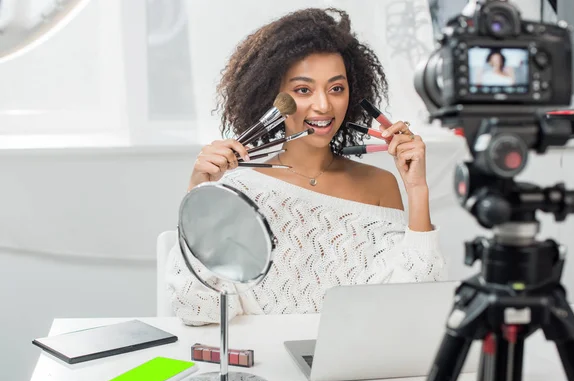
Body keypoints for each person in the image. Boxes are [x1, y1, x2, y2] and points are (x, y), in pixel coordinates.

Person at [166, 7, 447, 326]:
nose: (324, 105)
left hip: (351, 367)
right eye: (303, 90)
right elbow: (197, 308)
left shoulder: (380, 185)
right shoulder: (235, 189)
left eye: (336, 88)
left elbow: (409, 308)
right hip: (261, 367)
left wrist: (417, 190)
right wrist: (197, 192)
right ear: (271, 96)